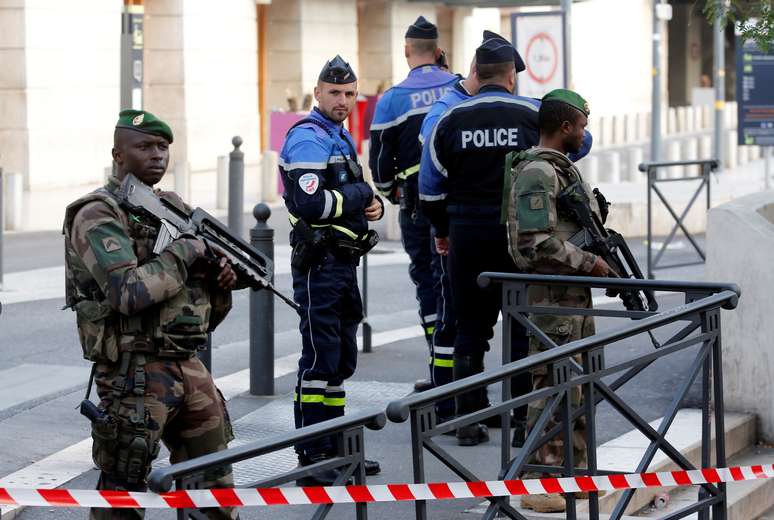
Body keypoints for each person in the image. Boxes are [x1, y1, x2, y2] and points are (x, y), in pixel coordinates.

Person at [63, 109, 239, 520]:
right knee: (123, 495)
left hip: (187, 364)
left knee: (214, 487)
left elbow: (201, 310)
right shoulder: (97, 213)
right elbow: (127, 293)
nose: (157, 154)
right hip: (133, 374)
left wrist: (219, 278)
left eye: (163, 147)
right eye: (144, 146)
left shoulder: (171, 208)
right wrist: (186, 251)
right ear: (118, 154)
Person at [507, 89, 615, 513]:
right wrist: (590, 262)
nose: (584, 134)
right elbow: (532, 242)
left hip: (571, 293)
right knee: (552, 384)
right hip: (551, 294)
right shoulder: (538, 171)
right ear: (565, 126)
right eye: (582, 126)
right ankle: (539, 480)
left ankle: (573, 473)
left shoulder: (560, 169)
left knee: (578, 385)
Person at [279, 55, 384, 486]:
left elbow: (349, 196)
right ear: (317, 93)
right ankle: (314, 453)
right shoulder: (308, 138)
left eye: (349, 94)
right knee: (320, 358)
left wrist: (373, 205)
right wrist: (361, 194)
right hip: (320, 263)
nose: (342, 100)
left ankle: (337, 445)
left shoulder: (337, 137)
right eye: (335, 93)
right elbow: (311, 204)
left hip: (342, 262)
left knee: (339, 359)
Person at [369, 16, 458, 393]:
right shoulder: (458, 86)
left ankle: (440, 371)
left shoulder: (393, 99)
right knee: (457, 284)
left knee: (428, 285)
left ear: (407, 50)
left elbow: (379, 162)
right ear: (438, 51)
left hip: (417, 204)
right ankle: (467, 374)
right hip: (459, 203)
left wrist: (390, 192)